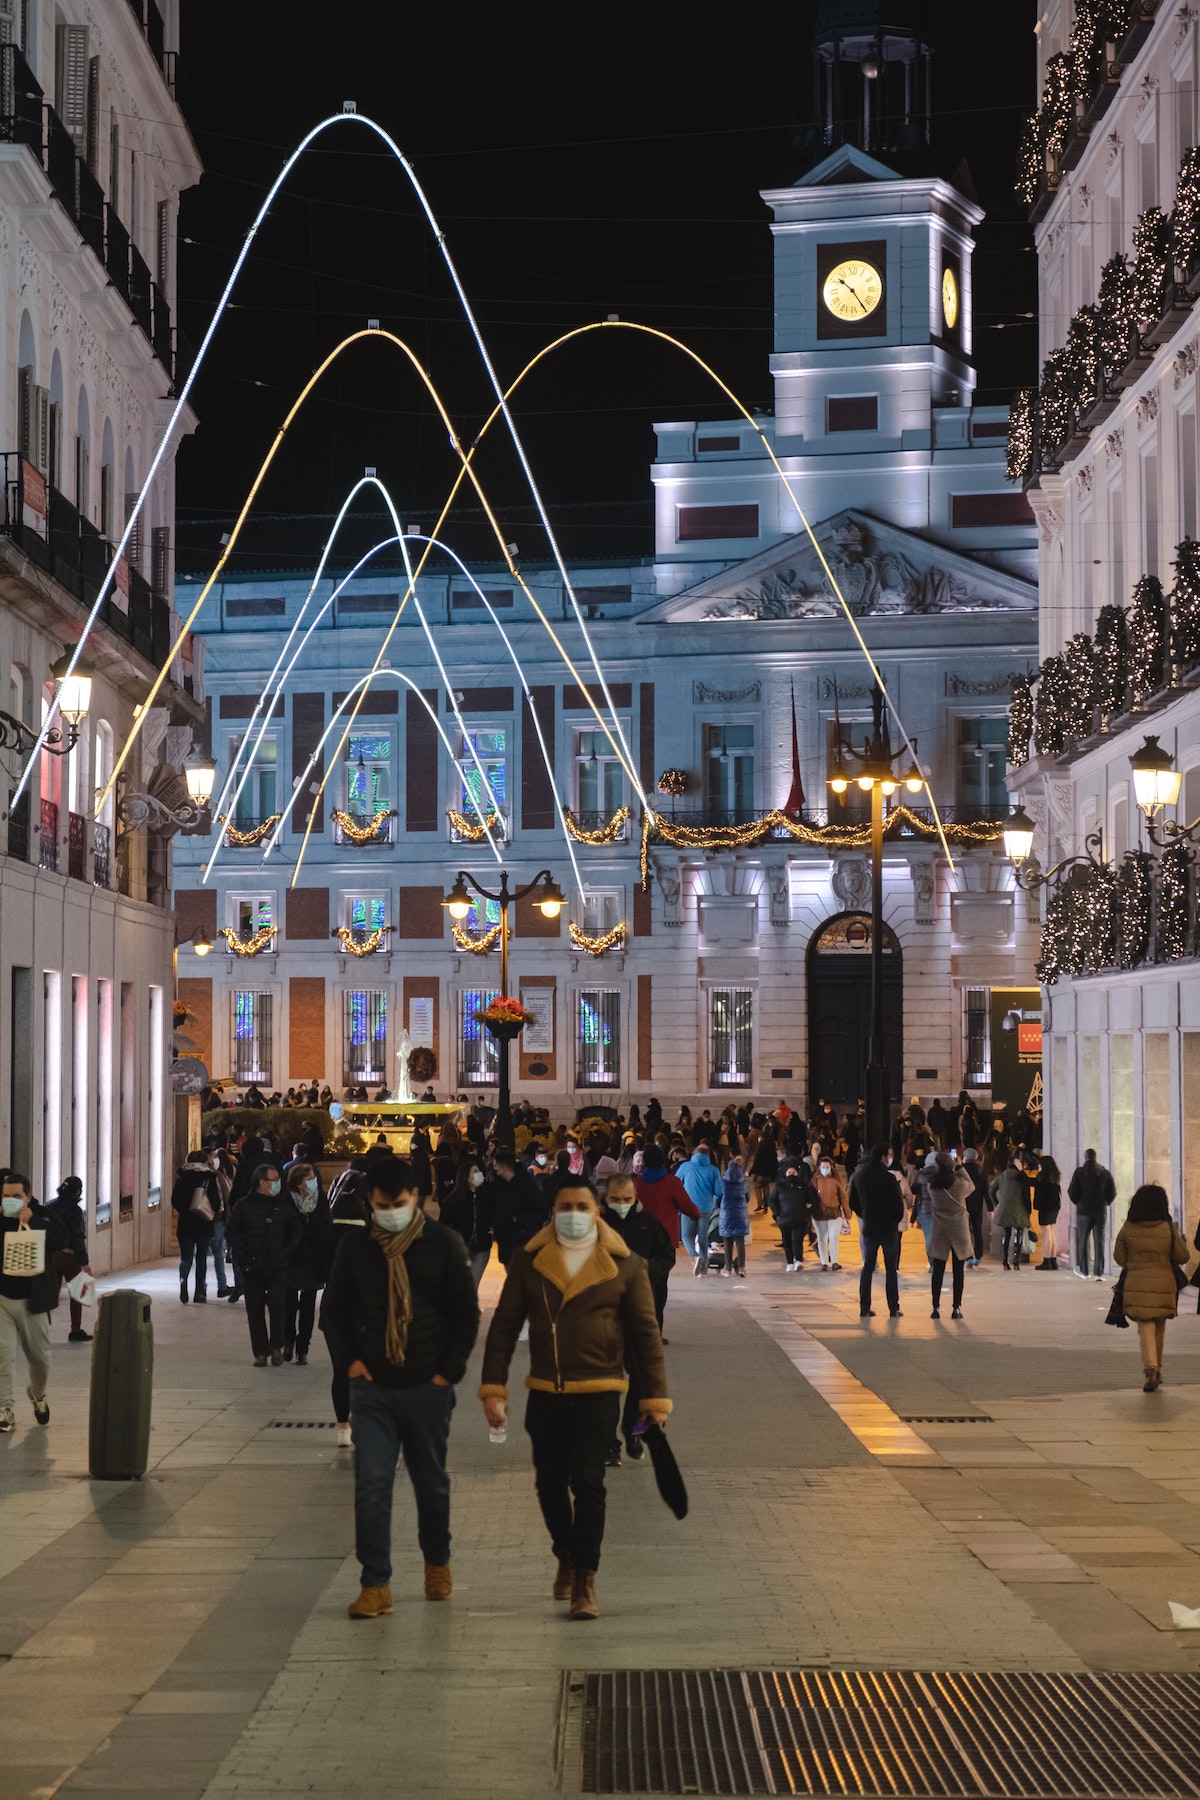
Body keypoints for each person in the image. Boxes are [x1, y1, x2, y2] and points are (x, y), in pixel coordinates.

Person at [479, 1176, 670, 1620]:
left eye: (582, 1208)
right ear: (553, 1212)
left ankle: (585, 1579)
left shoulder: (626, 1264)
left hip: (600, 1389)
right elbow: (504, 1327)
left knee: (588, 1482)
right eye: (565, 1207)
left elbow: (646, 1335)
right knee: (549, 1482)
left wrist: (654, 1398)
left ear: (596, 1211)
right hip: (546, 1389)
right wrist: (494, 1387)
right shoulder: (528, 1262)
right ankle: (564, 1553)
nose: (573, 1215)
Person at [321, 1157, 480, 1616]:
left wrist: (445, 1373)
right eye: (381, 1205)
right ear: (369, 1203)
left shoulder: (442, 1243)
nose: (389, 1211)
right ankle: (375, 1583)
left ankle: (437, 1560)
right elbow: (334, 1309)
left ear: (416, 1200)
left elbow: (465, 1314)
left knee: (430, 1483)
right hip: (373, 1389)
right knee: (371, 1485)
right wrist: (350, 1362)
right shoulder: (356, 1246)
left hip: (427, 1388)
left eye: (398, 1203)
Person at [601, 1172, 673, 1464]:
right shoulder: (595, 1226)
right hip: (603, 1317)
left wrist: (642, 1270)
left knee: (641, 1378)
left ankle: (633, 1429)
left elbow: (666, 1260)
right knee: (605, 1384)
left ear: (635, 1198)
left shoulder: (649, 1224)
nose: (621, 1205)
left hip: (641, 1316)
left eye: (627, 1199)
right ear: (606, 1198)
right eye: (615, 1200)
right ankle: (608, 1445)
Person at [0, 1171, 70, 1432]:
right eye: (5, 1196)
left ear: (27, 1196)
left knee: (40, 1358)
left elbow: (63, 1239)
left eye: (16, 1196)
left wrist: (36, 1222)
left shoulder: (44, 1215)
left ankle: (38, 1395)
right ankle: (5, 1409)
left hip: (34, 1300)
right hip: (3, 1299)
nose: (11, 1200)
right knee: (3, 1356)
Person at [225, 1163, 303, 1366]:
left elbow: (296, 1230)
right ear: (262, 1182)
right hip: (253, 1266)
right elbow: (232, 1232)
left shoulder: (284, 1204)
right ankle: (260, 1352)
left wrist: (285, 1252)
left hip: (278, 1265)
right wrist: (243, 1253)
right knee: (255, 1309)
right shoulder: (243, 1205)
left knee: (278, 1306)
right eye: (274, 1179)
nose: (279, 1182)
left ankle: (277, 1346)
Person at [1113, 1185, 1188, 1392]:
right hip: (1164, 1283)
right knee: (1159, 1327)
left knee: (1145, 1325)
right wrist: (1181, 1241)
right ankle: (1157, 1369)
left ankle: (1151, 1370)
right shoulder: (1168, 1227)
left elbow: (1119, 1258)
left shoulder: (1128, 1227)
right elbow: (1183, 1257)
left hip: (1137, 1283)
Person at [316, 1187, 372, 1446]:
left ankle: (342, 1427)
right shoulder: (367, 1236)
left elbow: (317, 1272)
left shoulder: (325, 1235)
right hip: (364, 1308)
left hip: (332, 1307)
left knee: (341, 1368)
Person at [283, 1162, 331, 1365]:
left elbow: (327, 1226)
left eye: (314, 1179)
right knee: (289, 1304)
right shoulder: (286, 1200)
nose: (314, 1182)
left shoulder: (321, 1200)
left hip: (313, 1258)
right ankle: (288, 1342)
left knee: (309, 1306)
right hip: (291, 1258)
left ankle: (303, 1348)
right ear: (299, 1182)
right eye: (310, 1179)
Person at [849, 1144, 904, 1318]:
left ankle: (864, 1306)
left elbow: (853, 1202)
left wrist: (864, 1213)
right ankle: (893, 1307)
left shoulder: (860, 1177)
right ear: (882, 1157)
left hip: (870, 1227)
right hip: (888, 1228)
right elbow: (898, 1205)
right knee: (890, 1268)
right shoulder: (889, 1179)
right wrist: (894, 1219)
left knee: (868, 1267)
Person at [170, 1150, 223, 1304]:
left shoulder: (182, 1178)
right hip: (204, 1223)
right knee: (201, 1258)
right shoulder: (209, 1177)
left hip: (185, 1223)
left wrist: (185, 1210)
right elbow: (216, 1202)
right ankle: (200, 1292)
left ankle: (183, 1281)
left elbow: (175, 1201)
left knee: (186, 1258)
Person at [926, 1152, 973, 1319]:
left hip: (940, 1230)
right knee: (958, 1271)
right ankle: (956, 1308)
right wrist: (960, 1167)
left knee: (938, 1270)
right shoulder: (960, 1184)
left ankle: (935, 1307)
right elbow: (972, 1186)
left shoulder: (931, 1185)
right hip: (958, 1229)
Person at [46, 1176, 91, 1341]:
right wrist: (84, 1262)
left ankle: (37, 1328)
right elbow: (78, 1237)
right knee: (77, 1293)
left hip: (51, 1255)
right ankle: (75, 1330)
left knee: (49, 1295)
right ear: (78, 1191)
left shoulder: (50, 1206)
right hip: (69, 1256)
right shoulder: (75, 1211)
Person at [441, 1156, 494, 1288]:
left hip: (481, 1248)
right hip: (460, 1250)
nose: (479, 1174)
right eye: (475, 1171)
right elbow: (444, 1226)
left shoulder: (486, 1197)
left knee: (472, 1284)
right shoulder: (452, 1201)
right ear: (466, 1177)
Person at [1069, 1147, 1117, 1280]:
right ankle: (1098, 1272)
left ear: (1085, 1157)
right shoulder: (1105, 1173)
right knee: (1099, 1241)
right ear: (1096, 1158)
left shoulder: (1079, 1173)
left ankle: (1084, 1271)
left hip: (1083, 1211)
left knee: (1083, 1241)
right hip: (1100, 1211)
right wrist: (1105, 1202)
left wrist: (1079, 1203)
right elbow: (1112, 1192)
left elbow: (1072, 1192)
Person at [677, 1145, 724, 1276]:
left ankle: (694, 1256)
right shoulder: (713, 1170)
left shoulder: (686, 1166)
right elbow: (719, 1191)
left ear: (694, 1153)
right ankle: (703, 1268)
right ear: (708, 1155)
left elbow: (675, 1182)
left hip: (688, 1207)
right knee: (703, 1238)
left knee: (686, 1236)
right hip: (706, 1208)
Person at [990, 1152, 1032, 1270]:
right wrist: (1029, 1209)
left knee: (1006, 1233)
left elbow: (991, 1190)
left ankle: (1005, 1261)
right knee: (1018, 1234)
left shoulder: (1002, 1176)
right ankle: (1016, 1261)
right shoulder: (1021, 1177)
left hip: (1005, 1209)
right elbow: (1027, 1188)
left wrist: (997, 1204)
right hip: (1020, 1209)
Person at [809, 1152, 850, 1270]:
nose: (825, 1169)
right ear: (819, 1168)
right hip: (818, 1214)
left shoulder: (836, 1181)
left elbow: (843, 1197)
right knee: (821, 1238)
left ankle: (835, 1261)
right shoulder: (814, 1181)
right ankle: (824, 1262)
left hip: (834, 1214)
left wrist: (847, 1213)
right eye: (823, 1167)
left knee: (833, 1237)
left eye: (827, 1167)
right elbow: (809, 1195)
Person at [773, 1162, 812, 1271]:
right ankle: (789, 1262)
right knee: (787, 1242)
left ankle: (798, 1260)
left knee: (797, 1240)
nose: (791, 1174)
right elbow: (772, 1201)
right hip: (784, 1219)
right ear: (785, 1173)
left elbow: (811, 1200)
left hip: (799, 1219)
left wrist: (807, 1212)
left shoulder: (803, 1186)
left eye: (793, 1172)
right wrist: (777, 1212)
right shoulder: (780, 1186)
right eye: (789, 1172)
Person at [718, 1155, 750, 1276]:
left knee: (727, 1242)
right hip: (740, 1213)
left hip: (726, 1214)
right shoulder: (743, 1182)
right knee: (740, 1242)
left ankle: (728, 1268)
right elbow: (747, 1198)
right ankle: (741, 1267)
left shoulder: (723, 1181)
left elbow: (718, 1197)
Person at [1032, 1155, 1063, 1270]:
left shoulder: (1043, 1178)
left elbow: (1032, 1183)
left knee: (1046, 1235)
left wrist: (1021, 1171)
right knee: (1052, 1233)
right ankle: (1053, 1261)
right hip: (1054, 1207)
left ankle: (1046, 1261)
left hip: (1045, 1208)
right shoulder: (1054, 1177)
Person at [960, 1147, 989, 1266]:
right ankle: (979, 1255)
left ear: (965, 1157)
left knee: (965, 1231)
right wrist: (991, 1207)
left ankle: (968, 1257)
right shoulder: (981, 1171)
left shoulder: (961, 1170)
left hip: (963, 1204)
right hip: (977, 1205)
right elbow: (986, 1190)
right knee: (977, 1230)